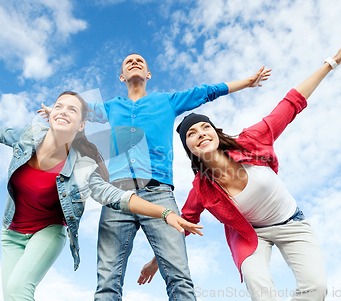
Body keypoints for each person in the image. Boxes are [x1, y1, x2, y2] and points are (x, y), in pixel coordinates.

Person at [138, 31, 341, 301]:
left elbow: (291, 103)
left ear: (215, 133)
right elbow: (184, 224)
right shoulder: (201, 189)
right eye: (191, 134)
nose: (200, 133)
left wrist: (333, 62)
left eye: (204, 128)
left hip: (292, 223)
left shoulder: (251, 141)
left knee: (316, 288)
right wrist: (155, 261)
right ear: (189, 148)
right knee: (261, 289)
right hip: (250, 236)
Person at [40, 56, 271, 300]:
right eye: (128, 61)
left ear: (148, 74)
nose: (134, 61)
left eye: (140, 60)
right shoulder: (111, 107)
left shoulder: (167, 101)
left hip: (159, 194)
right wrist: (57, 113)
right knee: (107, 282)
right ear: (121, 77)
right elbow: (77, 110)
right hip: (117, 197)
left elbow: (206, 92)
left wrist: (247, 82)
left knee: (178, 277)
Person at [0, 91, 203, 301]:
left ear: (81, 124)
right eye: (59, 106)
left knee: (18, 288)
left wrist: (165, 212)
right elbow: (4, 133)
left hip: (47, 231)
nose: (64, 111)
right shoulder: (30, 135)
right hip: (10, 233)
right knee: (11, 295)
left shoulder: (84, 166)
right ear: (51, 113)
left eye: (73, 110)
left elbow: (116, 196)